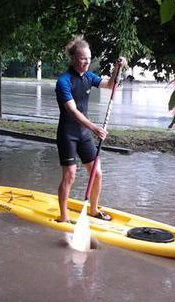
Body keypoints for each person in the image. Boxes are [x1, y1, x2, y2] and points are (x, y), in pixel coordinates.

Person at [55, 36, 127, 223]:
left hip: (84, 134)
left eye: (88, 58)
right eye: (82, 58)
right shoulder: (64, 81)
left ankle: (93, 210)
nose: (86, 62)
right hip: (68, 134)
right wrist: (95, 127)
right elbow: (72, 111)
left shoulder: (89, 77)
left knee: (97, 172)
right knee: (70, 175)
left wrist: (117, 69)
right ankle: (64, 217)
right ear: (73, 58)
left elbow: (110, 85)